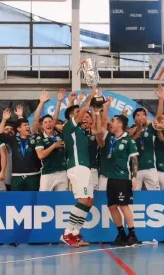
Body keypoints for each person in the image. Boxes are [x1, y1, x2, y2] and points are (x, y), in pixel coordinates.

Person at [60, 90, 100, 247]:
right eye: (78, 113)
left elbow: (97, 130)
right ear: (72, 117)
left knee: (89, 201)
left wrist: (96, 111)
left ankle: (75, 233)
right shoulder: (69, 127)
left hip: (86, 168)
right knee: (83, 200)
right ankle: (66, 233)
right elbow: (81, 112)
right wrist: (90, 97)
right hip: (77, 167)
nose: (83, 115)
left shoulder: (82, 132)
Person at [98, 115, 139, 246]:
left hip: (123, 178)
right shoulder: (111, 138)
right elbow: (100, 127)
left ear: (120, 124)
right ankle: (121, 234)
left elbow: (134, 160)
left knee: (124, 205)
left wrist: (134, 177)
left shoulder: (128, 141)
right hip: (111, 178)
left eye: (114, 121)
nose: (111, 123)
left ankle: (132, 234)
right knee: (112, 207)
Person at [129, 85, 164, 191]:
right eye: (138, 115)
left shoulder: (150, 128)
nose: (141, 116)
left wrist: (161, 99)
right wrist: (139, 128)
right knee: (134, 195)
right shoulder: (130, 131)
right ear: (134, 119)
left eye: (143, 114)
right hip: (136, 169)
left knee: (155, 194)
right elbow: (134, 139)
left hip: (150, 168)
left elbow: (158, 118)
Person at [0, 108, 42, 191]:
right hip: (17, 177)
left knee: (34, 202)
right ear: (19, 129)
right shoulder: (13, 139)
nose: (28, 126)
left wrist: (20, 116)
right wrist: (4, 119)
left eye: (28, 125)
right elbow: (0, 134)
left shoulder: (35, 138)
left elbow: (36, 121)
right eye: (25, 125)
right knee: (16, 201)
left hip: (33, 176)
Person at [35, 115, 68, 192]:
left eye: (50, 122)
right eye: (45, 123)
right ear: (42, 126)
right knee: (44, 199)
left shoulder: (60, 135)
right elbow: (40, 155)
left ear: (53, 123)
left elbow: (67, 128)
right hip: (47, 172)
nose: (48, 124)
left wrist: (58, 126)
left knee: (62, 198)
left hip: (62, 171)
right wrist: (53, 146)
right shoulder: (40, 138)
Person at [2, 122, 14, 191]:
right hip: (3, 179)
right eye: (6, 129)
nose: (9, 131)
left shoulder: (18, 143)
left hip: (15, 179)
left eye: (11, 129)